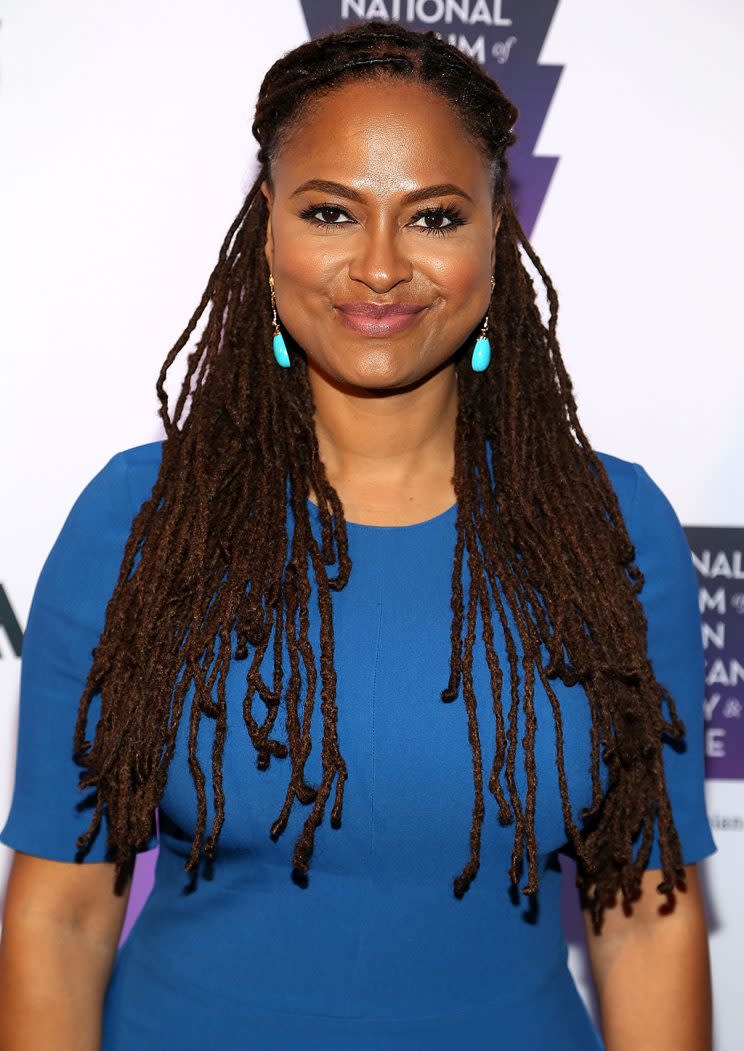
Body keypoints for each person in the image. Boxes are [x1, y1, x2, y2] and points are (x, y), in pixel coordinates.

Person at [0, 20, 715, 1051]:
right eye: (332, 210)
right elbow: (60, 920)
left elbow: (645, 920)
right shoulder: (139, 523)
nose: (379, 267)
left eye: (433, 217)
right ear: (268, 227)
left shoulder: (610, 533)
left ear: (493, 239)